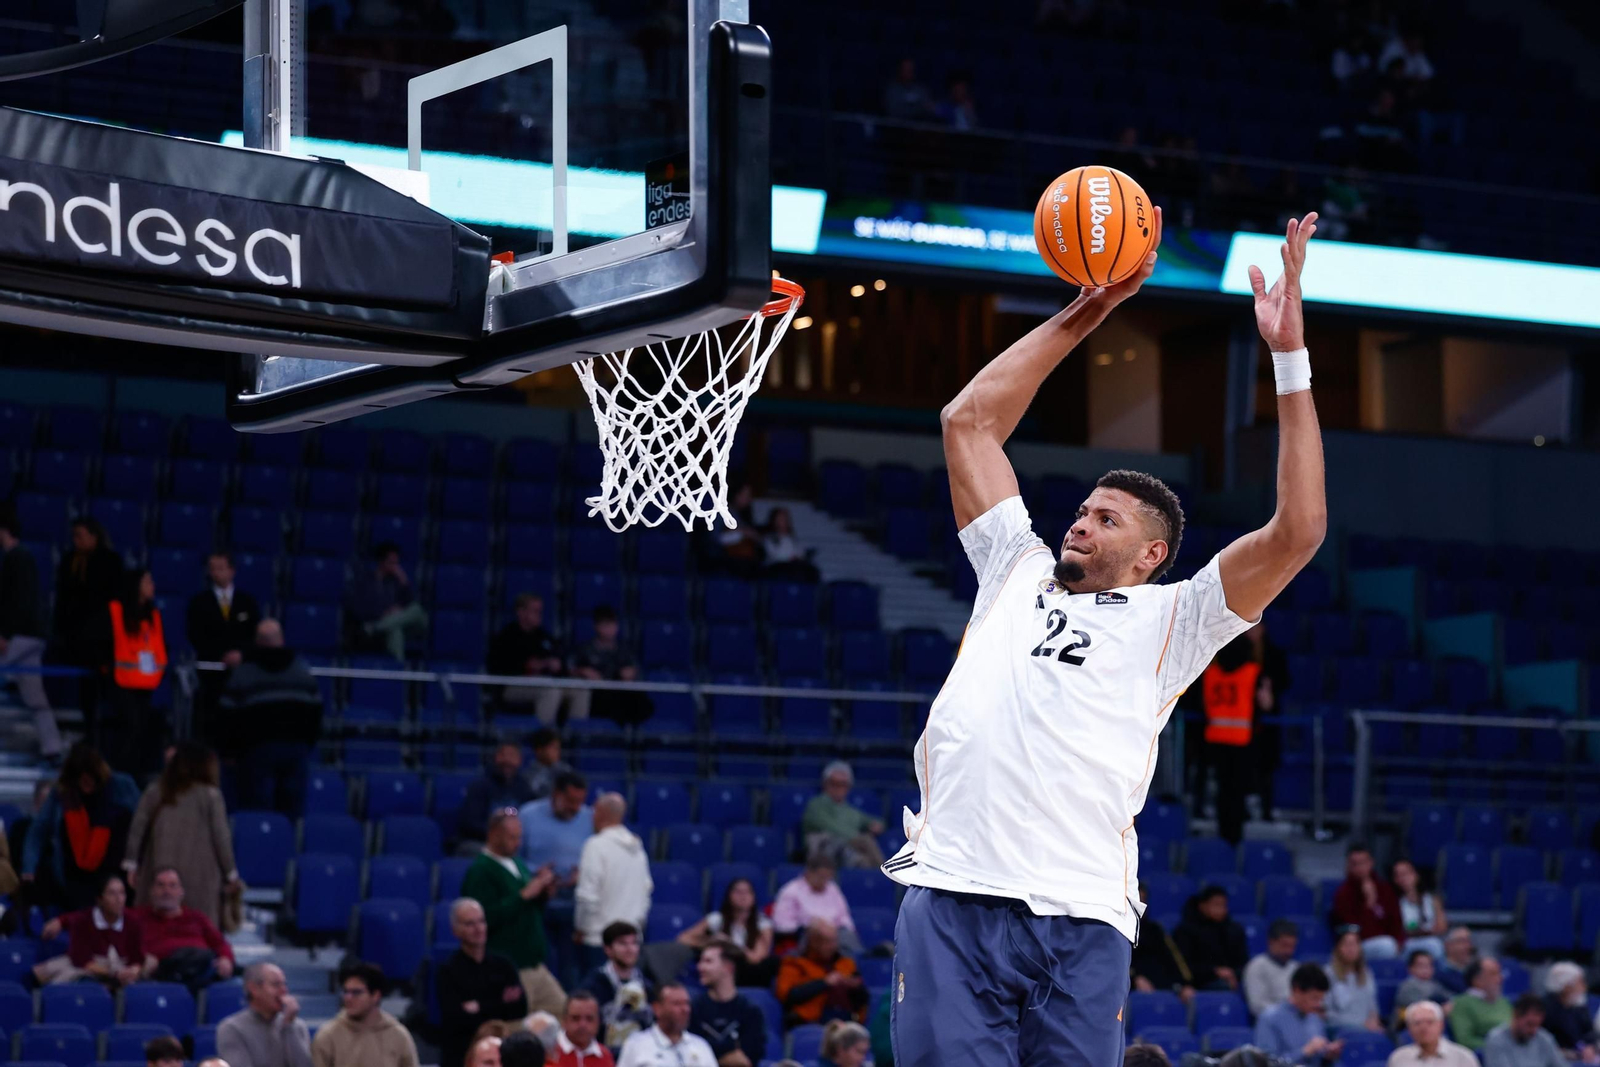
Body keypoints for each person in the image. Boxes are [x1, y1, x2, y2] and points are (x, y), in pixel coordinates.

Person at [883, 212, 1326, 1066]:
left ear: (1152, 553)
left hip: (1084, 915)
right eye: (1082, 509)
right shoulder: (1015, 565)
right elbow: (967, 423)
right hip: (956, 891)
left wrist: (1289, 357)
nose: (1080, 521)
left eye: (1105, 517)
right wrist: (1090, 308)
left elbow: (1299, 529)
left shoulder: (1180, 618)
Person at [459, 809, 564, 1017]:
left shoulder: (517, 863)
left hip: (534, 965)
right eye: (512, 837)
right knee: (518, 1027)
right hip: (510, 969)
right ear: (493, 834)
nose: (517, 842)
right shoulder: (481, 871)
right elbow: (484, 920)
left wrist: (543, 893)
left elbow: (528, 908)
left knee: (563, 1012)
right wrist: (524, 895)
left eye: (519, 837)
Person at [124, 741, 238, 926]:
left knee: (153, 928)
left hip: (157, 870)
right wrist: (231, 873)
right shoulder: (211, 795)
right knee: (198, 929)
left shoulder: (156, 790)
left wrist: (131, 862)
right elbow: (222, 838)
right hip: (201, 880)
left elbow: (137, 829)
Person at [23, 741, 141, 910]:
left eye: (90, 778)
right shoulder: (62, 793)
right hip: (74, 880)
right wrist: (29, 868)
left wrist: (138, 864)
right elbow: (38, 831)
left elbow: (141, 827)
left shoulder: (122, 787)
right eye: (81, 779)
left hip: (116, 876)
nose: (86, 784)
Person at [224, 619, 324, 816]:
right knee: (291, 814)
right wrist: (306, 744)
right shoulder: (303, 673)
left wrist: (231, 752)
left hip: (256, 752)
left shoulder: (242, 675)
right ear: (282, 640)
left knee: (258, 813)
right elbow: (316, 715)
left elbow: (228, 718)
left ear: (257, 642)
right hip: (295, 751)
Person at [51, 516, 123, 738]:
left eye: (80, 536)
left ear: (94, 536)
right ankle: (88, 730)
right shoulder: (69, 560)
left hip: (101, 639)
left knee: (105, 690)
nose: (76, 541)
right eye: (73, 536)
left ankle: (107, 734)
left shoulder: (110, 561)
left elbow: (113, 601)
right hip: (74, 636)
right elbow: (63, 597)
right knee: (85, 691)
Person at [434, 898, 528, 1067]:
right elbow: (456, 1018)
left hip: (503, 1051)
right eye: (470, 924)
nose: (478, 929)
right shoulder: (448, 970)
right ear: (455, 930)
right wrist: (501, 1003)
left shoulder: (504, 964)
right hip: (460, 1052)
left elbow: (520, 1008)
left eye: (481, 921)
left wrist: (479, 1006)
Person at [0, 502, 60, 761]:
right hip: (29, 636)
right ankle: (53, 746)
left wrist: (5, 635)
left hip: (20, 636)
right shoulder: (18, 557)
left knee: (34, 693)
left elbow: (20, 601)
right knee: (35, 694)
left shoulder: (18, 557)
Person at [518, 769, 590, 981]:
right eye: (570, 800)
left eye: (580, 801)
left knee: (572, 967)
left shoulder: (590, 817)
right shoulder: (526, 814)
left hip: (574, 901)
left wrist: (584, 873)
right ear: (555, 794)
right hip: (538, 901)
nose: (575, 808)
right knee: (540, 962)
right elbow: (514, 858)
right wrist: (536, 872)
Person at [186, 551, 262, 742]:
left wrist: (241, 654)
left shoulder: (247, 602)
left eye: (220, 568)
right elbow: (195, 635)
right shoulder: (199, 602)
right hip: (211, 676)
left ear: (232, 571)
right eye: (212, 569)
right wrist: (221, 655)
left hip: (241, 676)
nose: (216, 573)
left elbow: (255, 636)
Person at [1194, 634, 1261, 845]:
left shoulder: (1210, 673)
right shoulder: (1252, 673)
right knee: (1236, 791)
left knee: (1222, 790)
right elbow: (1263, 704)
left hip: (1214, 738)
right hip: (1241, 740)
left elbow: (1200, 704)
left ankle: (1223, 832)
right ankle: (1234, 835)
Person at [575, 793, 652, 973]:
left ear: (599, 813)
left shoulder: (596, 845)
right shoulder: (638, 849)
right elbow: (646, 893)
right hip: (631, 941)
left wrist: (581, 928)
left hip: (600, 941)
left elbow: (587, 897)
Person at [101, 566, 167, 774]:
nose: (152, 586)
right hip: (120, 683)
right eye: (147, 582)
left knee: (148, 730)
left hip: (147, 685)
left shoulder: (153, 614)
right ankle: (120, 776)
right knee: (130, 729)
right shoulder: (114, 610)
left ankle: (141, 777)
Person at [34, 873, 151, 986]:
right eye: (112, 893)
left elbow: (137, 959)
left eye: (122, 893)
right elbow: (81, 960)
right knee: (81, 982)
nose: (118, 899)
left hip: (122, 969)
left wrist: (133, 971)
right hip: (90, 970)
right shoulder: (83, 921)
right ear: (100, 899)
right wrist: (113, 973)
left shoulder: (133, 922)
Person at [129, 866, 237, 989]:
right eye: (161, 885)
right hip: (159, 976)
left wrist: (226, 959)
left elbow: (221, 944)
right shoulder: (137, 918)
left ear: (181, 892)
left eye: (172, 885)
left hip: (201, 973)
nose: (166, 891)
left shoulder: (197, 918)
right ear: (152, 891)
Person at [488, 594, 580, 724]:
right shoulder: (507, 636)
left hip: (545, 682)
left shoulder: (543, 636)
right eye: (535, 611)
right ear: (521, 612)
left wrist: (558, 665)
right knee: (550, 691)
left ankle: (578, 738)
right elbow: (500, 667)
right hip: (513, 686)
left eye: (540, 611)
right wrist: (532, 665)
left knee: (580, 690)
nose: (539, 614)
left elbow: (560, 659)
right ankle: (544, 740)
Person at [311, 960, 419, 1067]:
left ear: (376, 995)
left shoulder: (398, 1036)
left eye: (356, 992)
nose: (348, 998)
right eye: (346, 992)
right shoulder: (328, 1036)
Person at [676, 878, 775, 986]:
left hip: (746, 971)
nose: (743, 896)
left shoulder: (763, 924)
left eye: (747, 892)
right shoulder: (717, 919)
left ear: (754, 897)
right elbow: (683, 938)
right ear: (729, 896)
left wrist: (731, 945)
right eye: (738, 892)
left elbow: (756, 958)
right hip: (719, 967)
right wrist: (712, 941)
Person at [217, 962, 313, 1067]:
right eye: (276, 984)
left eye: (284, 984)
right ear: (253, 988)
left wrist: (289, 1027)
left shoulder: (296, 1026)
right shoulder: (232, 1028)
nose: (284, 990)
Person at [343, 541, 427, 661]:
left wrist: (404, 582)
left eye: (397, 563)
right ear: (381, 562)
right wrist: (385, 613)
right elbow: (358, 608)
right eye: (392, 562)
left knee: (417, 609)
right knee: (395, 631)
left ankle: (375, 627)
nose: (395, 566)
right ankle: (400, 672)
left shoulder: (395, 582)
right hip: (377, 624)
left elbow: (409, 605)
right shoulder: (365, 581)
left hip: (394, 625)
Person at [775, 918, 867, 1027]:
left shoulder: (846, 963)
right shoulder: (794, 964)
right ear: (814, 942)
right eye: (828, 942)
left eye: (835, 941)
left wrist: (853, 985)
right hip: (810, 1023)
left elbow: (863, 998)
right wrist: (824, 983)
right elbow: (787, 995)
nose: (833, 946)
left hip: (848, 1022)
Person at [578, 922, 654, 1054]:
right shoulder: (592, 986)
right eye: (623, 944)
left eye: (634, 943)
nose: (630, 949)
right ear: (608, 949)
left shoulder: (648, 986)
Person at [690, 941, 766, 1067]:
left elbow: (747, 1061)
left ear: (728, 967)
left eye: (708, 961)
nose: (700, 967)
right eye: (700, 961)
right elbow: (691, 1056)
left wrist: (709, 1054)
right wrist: (729, 1053)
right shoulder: (693, 1008)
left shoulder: (751, 1011)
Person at [456, 743, 539, 854]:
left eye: (512, 756)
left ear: (520, 760)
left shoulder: (525, 789)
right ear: (495, 757)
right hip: (483, 842)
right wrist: (500, 836)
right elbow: (470, 824)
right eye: (503, 755)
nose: (507, 760)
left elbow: (532, 824)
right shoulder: (479, 786)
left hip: (515, 843)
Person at [571, 606, 647, 724]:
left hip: (619, 694)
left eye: (613, 624)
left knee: (642, 703)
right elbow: (570, 670)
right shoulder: (585, 650)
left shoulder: (624, 651)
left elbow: (636, 671)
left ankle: (631, 735)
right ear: (596, 627)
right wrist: (582, 671)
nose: (610, 629)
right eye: (606, 625)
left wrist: (631, 674)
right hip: (595, 696)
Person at [1254, 963, 1342, 1064]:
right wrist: (1304, 1051)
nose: (1318, 1004)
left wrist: (1328, 1056)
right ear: (1297, 991)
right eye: (1314, 998)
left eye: (1321, 999)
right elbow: (1267, 1064)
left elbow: (1319, 1060)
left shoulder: (1315, 1018)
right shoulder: (1269, 1019)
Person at [802, 762, 885, 870]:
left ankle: (885, 878)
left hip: (850, 851)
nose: (838, 788)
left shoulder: (850, 810)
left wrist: (876, 825)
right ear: (826, 783)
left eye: (843, 784)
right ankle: (889, 875)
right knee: (865, 841)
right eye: (834, 783)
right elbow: (828, 826)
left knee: (865, 862)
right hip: (826, 851)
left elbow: (876, 822)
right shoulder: (816, 805)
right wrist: (855, 837)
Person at [615, 983, 717, 1067]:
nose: (685, 1009)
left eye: (687, 1003)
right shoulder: (636, 1045)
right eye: (677, 1004)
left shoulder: (701, 1046)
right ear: (657, 1008)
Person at [771, 854, 858, 952]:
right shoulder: (791, 891)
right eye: (821, 876)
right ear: (808, 873)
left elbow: (845, 918)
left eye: (828, 877)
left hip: (835, 935)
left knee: (848, 937)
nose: (825, 881)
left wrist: (833, 929)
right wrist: (811, 928)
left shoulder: (833, 889)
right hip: (806, 937)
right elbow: (781, 924)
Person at [1331, 844, 1403, 960]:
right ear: (1348, 866)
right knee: (1387, 945)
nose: (1359, 868)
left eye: (1363, 863)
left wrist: (1400, 942)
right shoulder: (1343, 894)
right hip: (1358, 946)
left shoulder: (1385, 889)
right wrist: (1369, 903)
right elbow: (1355, 931)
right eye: (1355, 864)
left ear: (1371, 863)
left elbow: (1396, 922)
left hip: (1390, 943)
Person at [1173, 885, 1249, 992]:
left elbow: (1243, 962)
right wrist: (1215, 971)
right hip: (1200, 982)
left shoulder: (1233, 930)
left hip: (1231, 979)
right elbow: (1184, 966)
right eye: (1216, 904)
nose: (1221, 909)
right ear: (1202, 906)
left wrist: (1232, 973)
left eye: (1223, 905)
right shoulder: (1185, 931)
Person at [1130, 884, 1194, 1004]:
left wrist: (1185, 984)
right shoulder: (1118, 930)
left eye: (1143, 900)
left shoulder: (1155, 929)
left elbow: (1174, 958)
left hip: (1163, 986)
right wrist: (1134, 979)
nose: (1139, 905)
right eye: (1136, 900)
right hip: (1132, 988)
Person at [1481, 994, 1569, 1067]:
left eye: (1537, 1025)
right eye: (1530, 1024)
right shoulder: (1496, 1040)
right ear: (1516, 1016)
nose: (1534, 1031)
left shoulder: (1544, 1038)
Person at [1325, 927, 1384, 1034]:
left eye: (1355, 944)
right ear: (1338, 948)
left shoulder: (1366, 974)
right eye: (1346, 944)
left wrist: (1373, 1021)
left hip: (1368, 1029)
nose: (1351, 948)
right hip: (1341, 1030)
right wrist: (1360, 1025)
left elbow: (1373, 1007)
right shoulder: (1328, 974)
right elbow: (1326, 1013)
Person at [1388, 1000, 1476, 1067]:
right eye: (1417, 1023)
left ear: (1441, 1025)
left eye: (1430, 1022)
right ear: (1409, 1028)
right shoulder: (1398, 1059)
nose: (1423, 1028)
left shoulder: (1463, 1057)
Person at [1449, 957, 1511, 1052]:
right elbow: (1465, 1040)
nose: (1500, 978)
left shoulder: (1503, 1002)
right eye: (1493, 974)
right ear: (1477, 980)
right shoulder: (1462, 1003)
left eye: (1499, 973)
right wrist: (1497, 1047)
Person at [1391, 859, 1447, 959]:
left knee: (1436, 945)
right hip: (1407, 943)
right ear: (1395, 880)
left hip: (1430, 940)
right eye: (1398, 875)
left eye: (1406, 873)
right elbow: (1398, 931)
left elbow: (1441, 927)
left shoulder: (1433, 900)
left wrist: (1422, 931)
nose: (1403, 878)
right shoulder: (1394, 903)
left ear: (1415, 875)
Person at [1244, 919, 1300, 1018]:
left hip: (1295, 1019)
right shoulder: (1257, 966)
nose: (1289, 951)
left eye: (1292, 946)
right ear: (1271, 942)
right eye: (1284, 945)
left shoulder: (1296, 968)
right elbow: (1256, 1007)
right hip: (1268, 1022)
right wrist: (1287, 1010)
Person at [1540, 961, 1597, 1051]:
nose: (1584, 987)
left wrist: (1588, 1047)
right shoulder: (1545, 1009)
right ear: (1566, 986)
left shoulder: (1579, 1007)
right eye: (1580, 982)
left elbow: (1588, 1033)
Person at [551, 990, 613, 1067]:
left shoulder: (605, 1056)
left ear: (598, 1022)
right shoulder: (550, 1052)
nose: (582, 1025)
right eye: (575, 1018)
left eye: (589, 1019)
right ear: (564, 1020)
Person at [1393, 949, 1451, 1026]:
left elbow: (1448, 998)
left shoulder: (1435, 984)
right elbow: (1417, 1008)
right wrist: (1441, 1010)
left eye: (1428, 965)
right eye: (1421, 966)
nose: (1425, 969)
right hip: (1409, 1024)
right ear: (1411, 968)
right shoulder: (1407, 986)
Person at [761, 507, 817, 582]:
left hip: (794, 565)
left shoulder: (792, 537)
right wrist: (790, 557)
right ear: (774, 521)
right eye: (780, 519)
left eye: (785, 518)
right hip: (777, 566)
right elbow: (774, 554)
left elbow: (800, 551)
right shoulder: (770, 537)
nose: (784, 521)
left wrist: (797, 557)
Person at [525, 728, 573, 801]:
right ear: (539, 750)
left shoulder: (565, 771)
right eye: (554, 748)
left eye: (558, 748)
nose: (558, 752)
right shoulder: (528, 774)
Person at [1436, 927, 1475, 994]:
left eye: (1468, 941)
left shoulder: (1476, 969)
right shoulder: (1435, 970)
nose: (1467, 946)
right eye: (1462, 941)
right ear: (1448, 945)